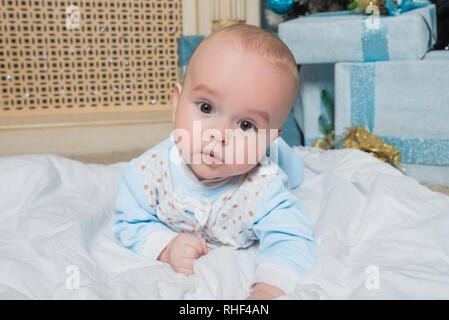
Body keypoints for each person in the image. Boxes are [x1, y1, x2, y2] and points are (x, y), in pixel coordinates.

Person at [112, 23, 317, 300]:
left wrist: (268, 288)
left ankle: (280, 150)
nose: (219, 135)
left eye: (246, 124)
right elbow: (130, 219)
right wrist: (165, 246)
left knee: (293, 171)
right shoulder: (148, 173)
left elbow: (292, 238)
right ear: (177, 103)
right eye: (206, 108)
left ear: (267, 139)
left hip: (275, 156)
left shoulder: (264, 189)